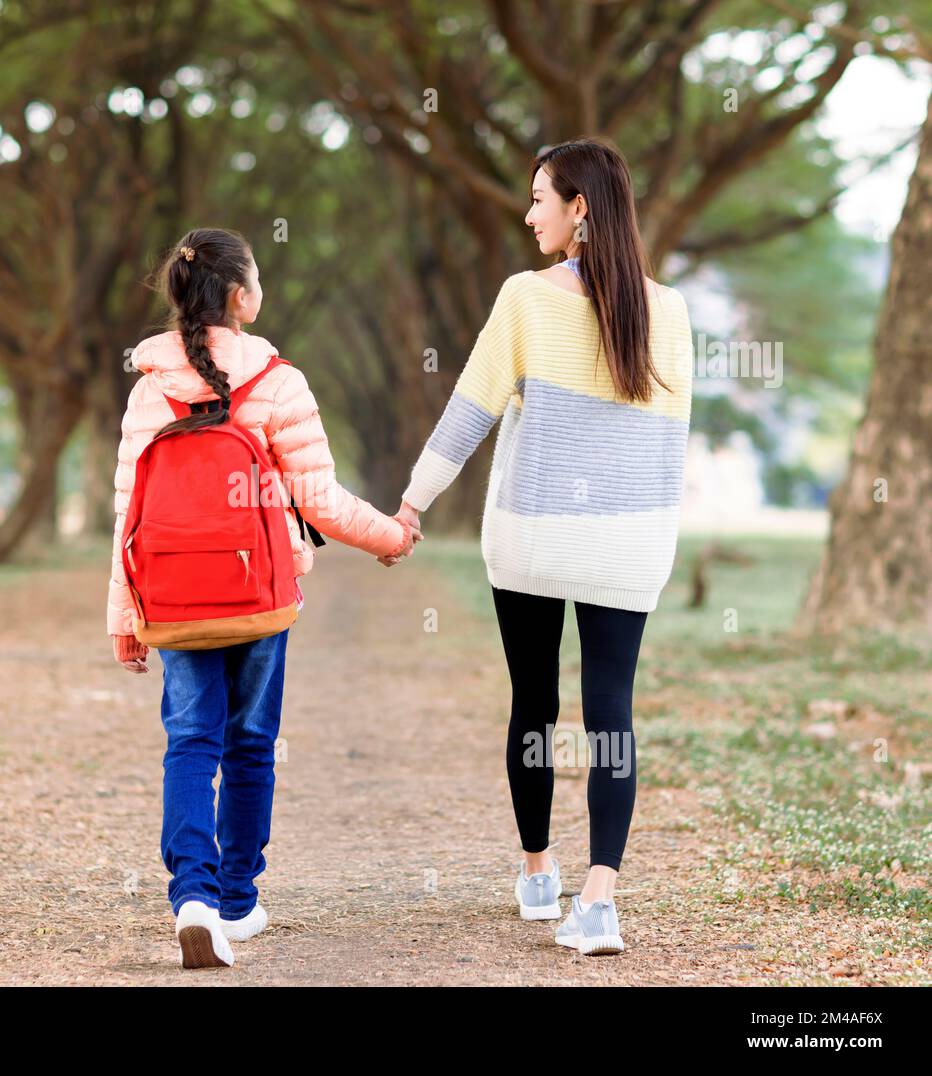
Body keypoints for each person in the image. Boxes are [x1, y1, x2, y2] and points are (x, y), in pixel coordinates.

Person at [388, 138, 694, 956]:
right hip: (627, 546)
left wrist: (412, 504)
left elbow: (470, 412)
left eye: (539, 200)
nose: (528, 215)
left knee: (534, 704)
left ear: (579, 208)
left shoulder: (526, 297)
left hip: (535, 536)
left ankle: (537, 871)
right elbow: (670, 447)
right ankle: (600, 901)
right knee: (611, 716)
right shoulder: (672, 310)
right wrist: (654, 540)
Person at [107, 226, 420, 968]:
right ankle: (238, 900)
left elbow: (128, 516)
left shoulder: (149, 388)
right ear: (242, 297)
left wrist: (125, 617)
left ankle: (193, 897)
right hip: (258, 595)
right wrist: (391, 537)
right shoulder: (279, 381)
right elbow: (321, 498)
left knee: (190, 742)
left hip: (175, 603)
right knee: (250, 744)